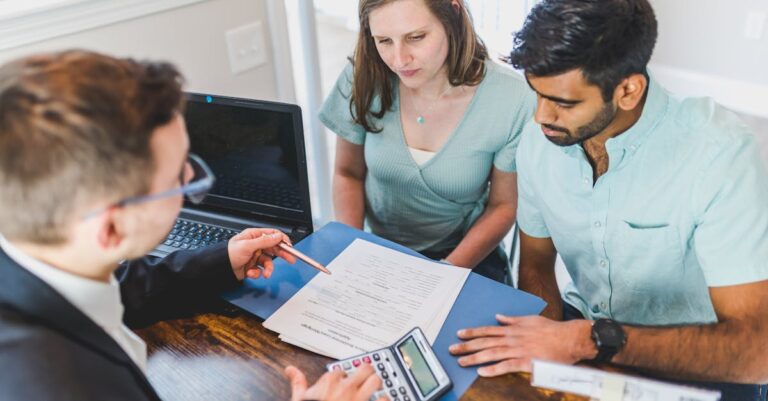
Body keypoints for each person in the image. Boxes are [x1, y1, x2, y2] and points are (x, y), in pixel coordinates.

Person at [0, 50, 382, 401]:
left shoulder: (47, 257)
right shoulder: (49, 384)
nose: (190, 183)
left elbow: (126, 284)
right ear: (111, 229)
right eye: (177, 180)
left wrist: (224, 260)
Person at [447, 1, 768, 400]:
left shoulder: (719, 154)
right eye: (537, 94)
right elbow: (536, 265)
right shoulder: (539, 141)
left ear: (628, 91)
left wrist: (587, 342)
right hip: (578, 337)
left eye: (564, 103)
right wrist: (547, 369)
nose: (540, 118)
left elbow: (757, 352)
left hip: (697, 363)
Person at [320, 0, 536, 282]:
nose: (399, 60)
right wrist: (352, 250)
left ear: (453, 14)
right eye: (384, 41)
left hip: (465, 256)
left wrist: (443, 273)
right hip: (376, 251)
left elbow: (504, 206)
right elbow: (347, 173)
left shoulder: (512, 97)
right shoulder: (363, 75)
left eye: (416, 37)